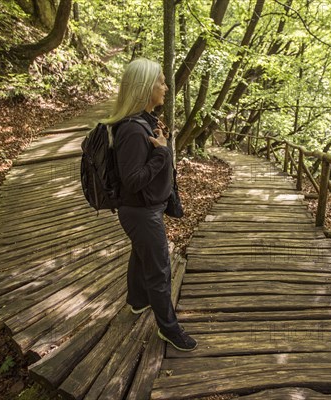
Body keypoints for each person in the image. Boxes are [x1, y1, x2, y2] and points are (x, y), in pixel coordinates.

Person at [101, 58, 197, 352]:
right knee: (159, 270)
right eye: (161, 82)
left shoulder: (144, 121)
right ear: (145, 87)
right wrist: (162, 155)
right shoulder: (132, 130)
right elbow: (132, 180)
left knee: (141, 255)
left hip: (144, 210)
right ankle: (169, 329)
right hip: (140, 212)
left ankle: (138, 301)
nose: (166, 88)